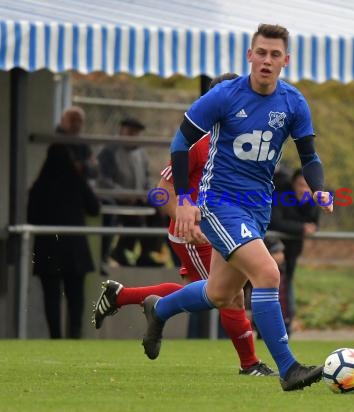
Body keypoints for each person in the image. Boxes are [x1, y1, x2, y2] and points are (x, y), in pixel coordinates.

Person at [141, 24, 333, 391]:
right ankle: (288, 368)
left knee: (219, 293)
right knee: (268, 274)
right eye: (261, 52)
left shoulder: (293, 102)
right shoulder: (225, 95)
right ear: (250, 55)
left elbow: (309, 156)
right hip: (219, 203)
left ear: (286, 61)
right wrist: (183, 200)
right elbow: (180, 142)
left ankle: (159, 308)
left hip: (257, 207)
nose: (267, 60)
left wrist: (319, 189)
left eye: (275, 54)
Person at [93, 73, 275, 376]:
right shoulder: (197, 142)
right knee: (227, 296)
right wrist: (186, 219)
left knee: (211, 291)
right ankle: (250, 365)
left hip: (221, 227)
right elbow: (161, 191)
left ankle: (122, 296)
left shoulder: (237, 142)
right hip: (194, 232)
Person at [28, 144, 101, 338]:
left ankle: (55, 336)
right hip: (74, 248)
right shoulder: (76, 182)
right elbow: (94, 208)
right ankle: (75, 334)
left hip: (48, 247)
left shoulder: (39, 186)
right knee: (75, 296)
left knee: (51, 297)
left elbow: (31, 217)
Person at [97, 118, 165, 267]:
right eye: (130, 132)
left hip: (139, 197)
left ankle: (146, 253)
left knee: (160, 211)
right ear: (122, 130)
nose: (134, 136)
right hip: (117, 197)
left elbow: (147, 177)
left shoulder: (141, 153)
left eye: (136, 133)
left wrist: (149, 193)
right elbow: (103, 180)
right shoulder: (109, 151)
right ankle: (119, 251)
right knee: (134, 218)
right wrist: (124, 194)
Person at [269, 169, 320, 335]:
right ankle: (268, 327)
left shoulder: (309, 201)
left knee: (285, 287)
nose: (304, 189)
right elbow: (275, 221)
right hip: (271, 249)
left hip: (291, 251)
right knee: (271, 287)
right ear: (293, 184)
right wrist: (300, 228)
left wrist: (309, 203)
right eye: (300, 185)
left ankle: (284, 327)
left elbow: (313, 223)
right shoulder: (281, 196)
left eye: (307, 186)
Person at [55, 106, 98, 180]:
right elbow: (67, 168)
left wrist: (82, 167)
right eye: (73, 120)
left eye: (80, 121)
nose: (77, 124)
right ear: (62, 121)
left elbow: (95, 168)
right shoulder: (56, 141)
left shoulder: (81, 142)